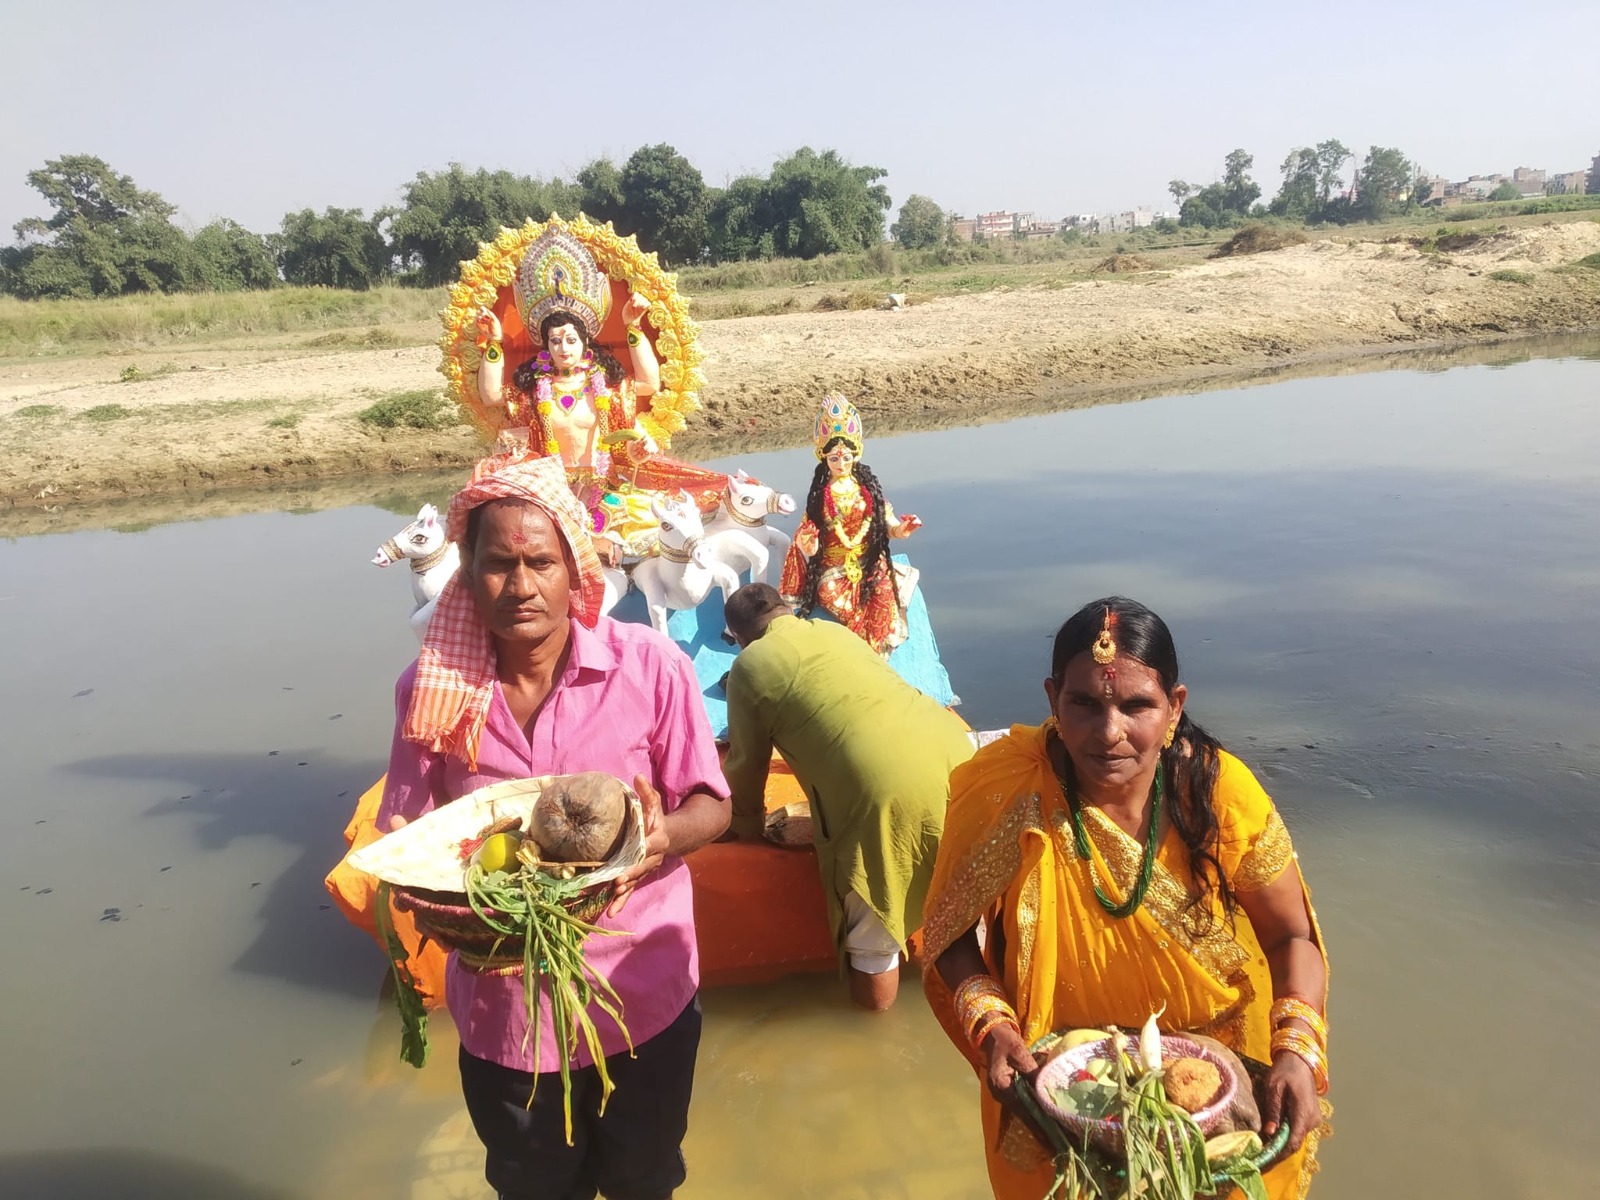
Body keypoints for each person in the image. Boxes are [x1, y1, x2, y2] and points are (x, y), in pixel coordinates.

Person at [376, 452, 731, 1200]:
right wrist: (423, 882)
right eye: (498, 564)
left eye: (541, 561)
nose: (521, 585)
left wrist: (658, 838)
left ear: (575, 569)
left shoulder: (651, 667)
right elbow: (404, 828)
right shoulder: (429, 691)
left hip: (642, 1000)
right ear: (467, 575)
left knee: (647, 1183)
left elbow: (713, 804)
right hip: (509, 1018)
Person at [923, 596, 1330, 1200]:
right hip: (1064, 1082)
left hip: (1214, 1081)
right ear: (1051, 699)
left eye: (1137, 704)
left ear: (1175, 707)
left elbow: (1290, 935)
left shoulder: (1218, 794)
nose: (1108, 732)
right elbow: (946, 935)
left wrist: (1296, 1049)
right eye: (1084, 703)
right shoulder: (1006, 790)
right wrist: (992, 1025)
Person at [720, 583, 974, 1010]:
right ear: (787, 610)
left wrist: (742, 828)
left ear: (740, 638)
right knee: (965, 903)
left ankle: (875, 1044)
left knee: (875, 934)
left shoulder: (751, 664)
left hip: (884, 789)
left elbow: (747, 765)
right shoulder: (838, 632)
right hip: (958, 758)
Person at [473, 223, 725, 562]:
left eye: (571, 340)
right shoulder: (532, 392)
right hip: (549, 492)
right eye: (555, 340)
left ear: (585, 341)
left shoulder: (605, 385)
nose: (564, 348)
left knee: (659, 518)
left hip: (604, 487)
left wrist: (632, 326)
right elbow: (490, 396)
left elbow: (649, 383)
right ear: (545, 344)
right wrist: (494, 341)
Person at [779, 394, 923, 654]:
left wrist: (902, 530)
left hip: (868, 562)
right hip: (833, 569)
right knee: (840, 602)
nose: (841, 464)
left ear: (856, 456)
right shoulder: (821, 497)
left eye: (846, 458)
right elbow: (805, 535)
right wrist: (808, 544)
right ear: (824, 459)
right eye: (834, 459)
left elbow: (887, 524)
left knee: (881, 594)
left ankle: (875, 652)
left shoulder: (867, 490)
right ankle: (863, 653)